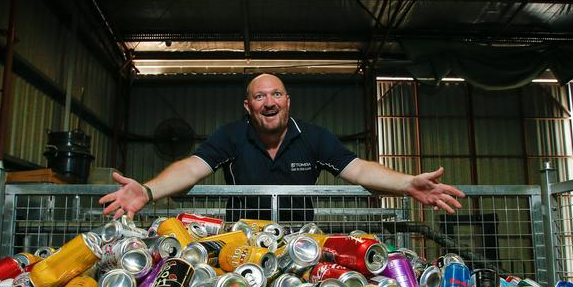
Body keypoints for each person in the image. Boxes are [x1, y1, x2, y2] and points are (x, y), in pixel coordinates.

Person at [99, 73, 465, 222]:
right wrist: (148, 190)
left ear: (288, 102)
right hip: (240, 248)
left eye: (276, 94)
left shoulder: (314, 137)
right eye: (259, 96)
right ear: (248, 106)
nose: (269, 102)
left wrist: (407, 184)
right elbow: (191, 167)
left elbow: (360, 169)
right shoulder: (230, 136)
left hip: (299, 247)